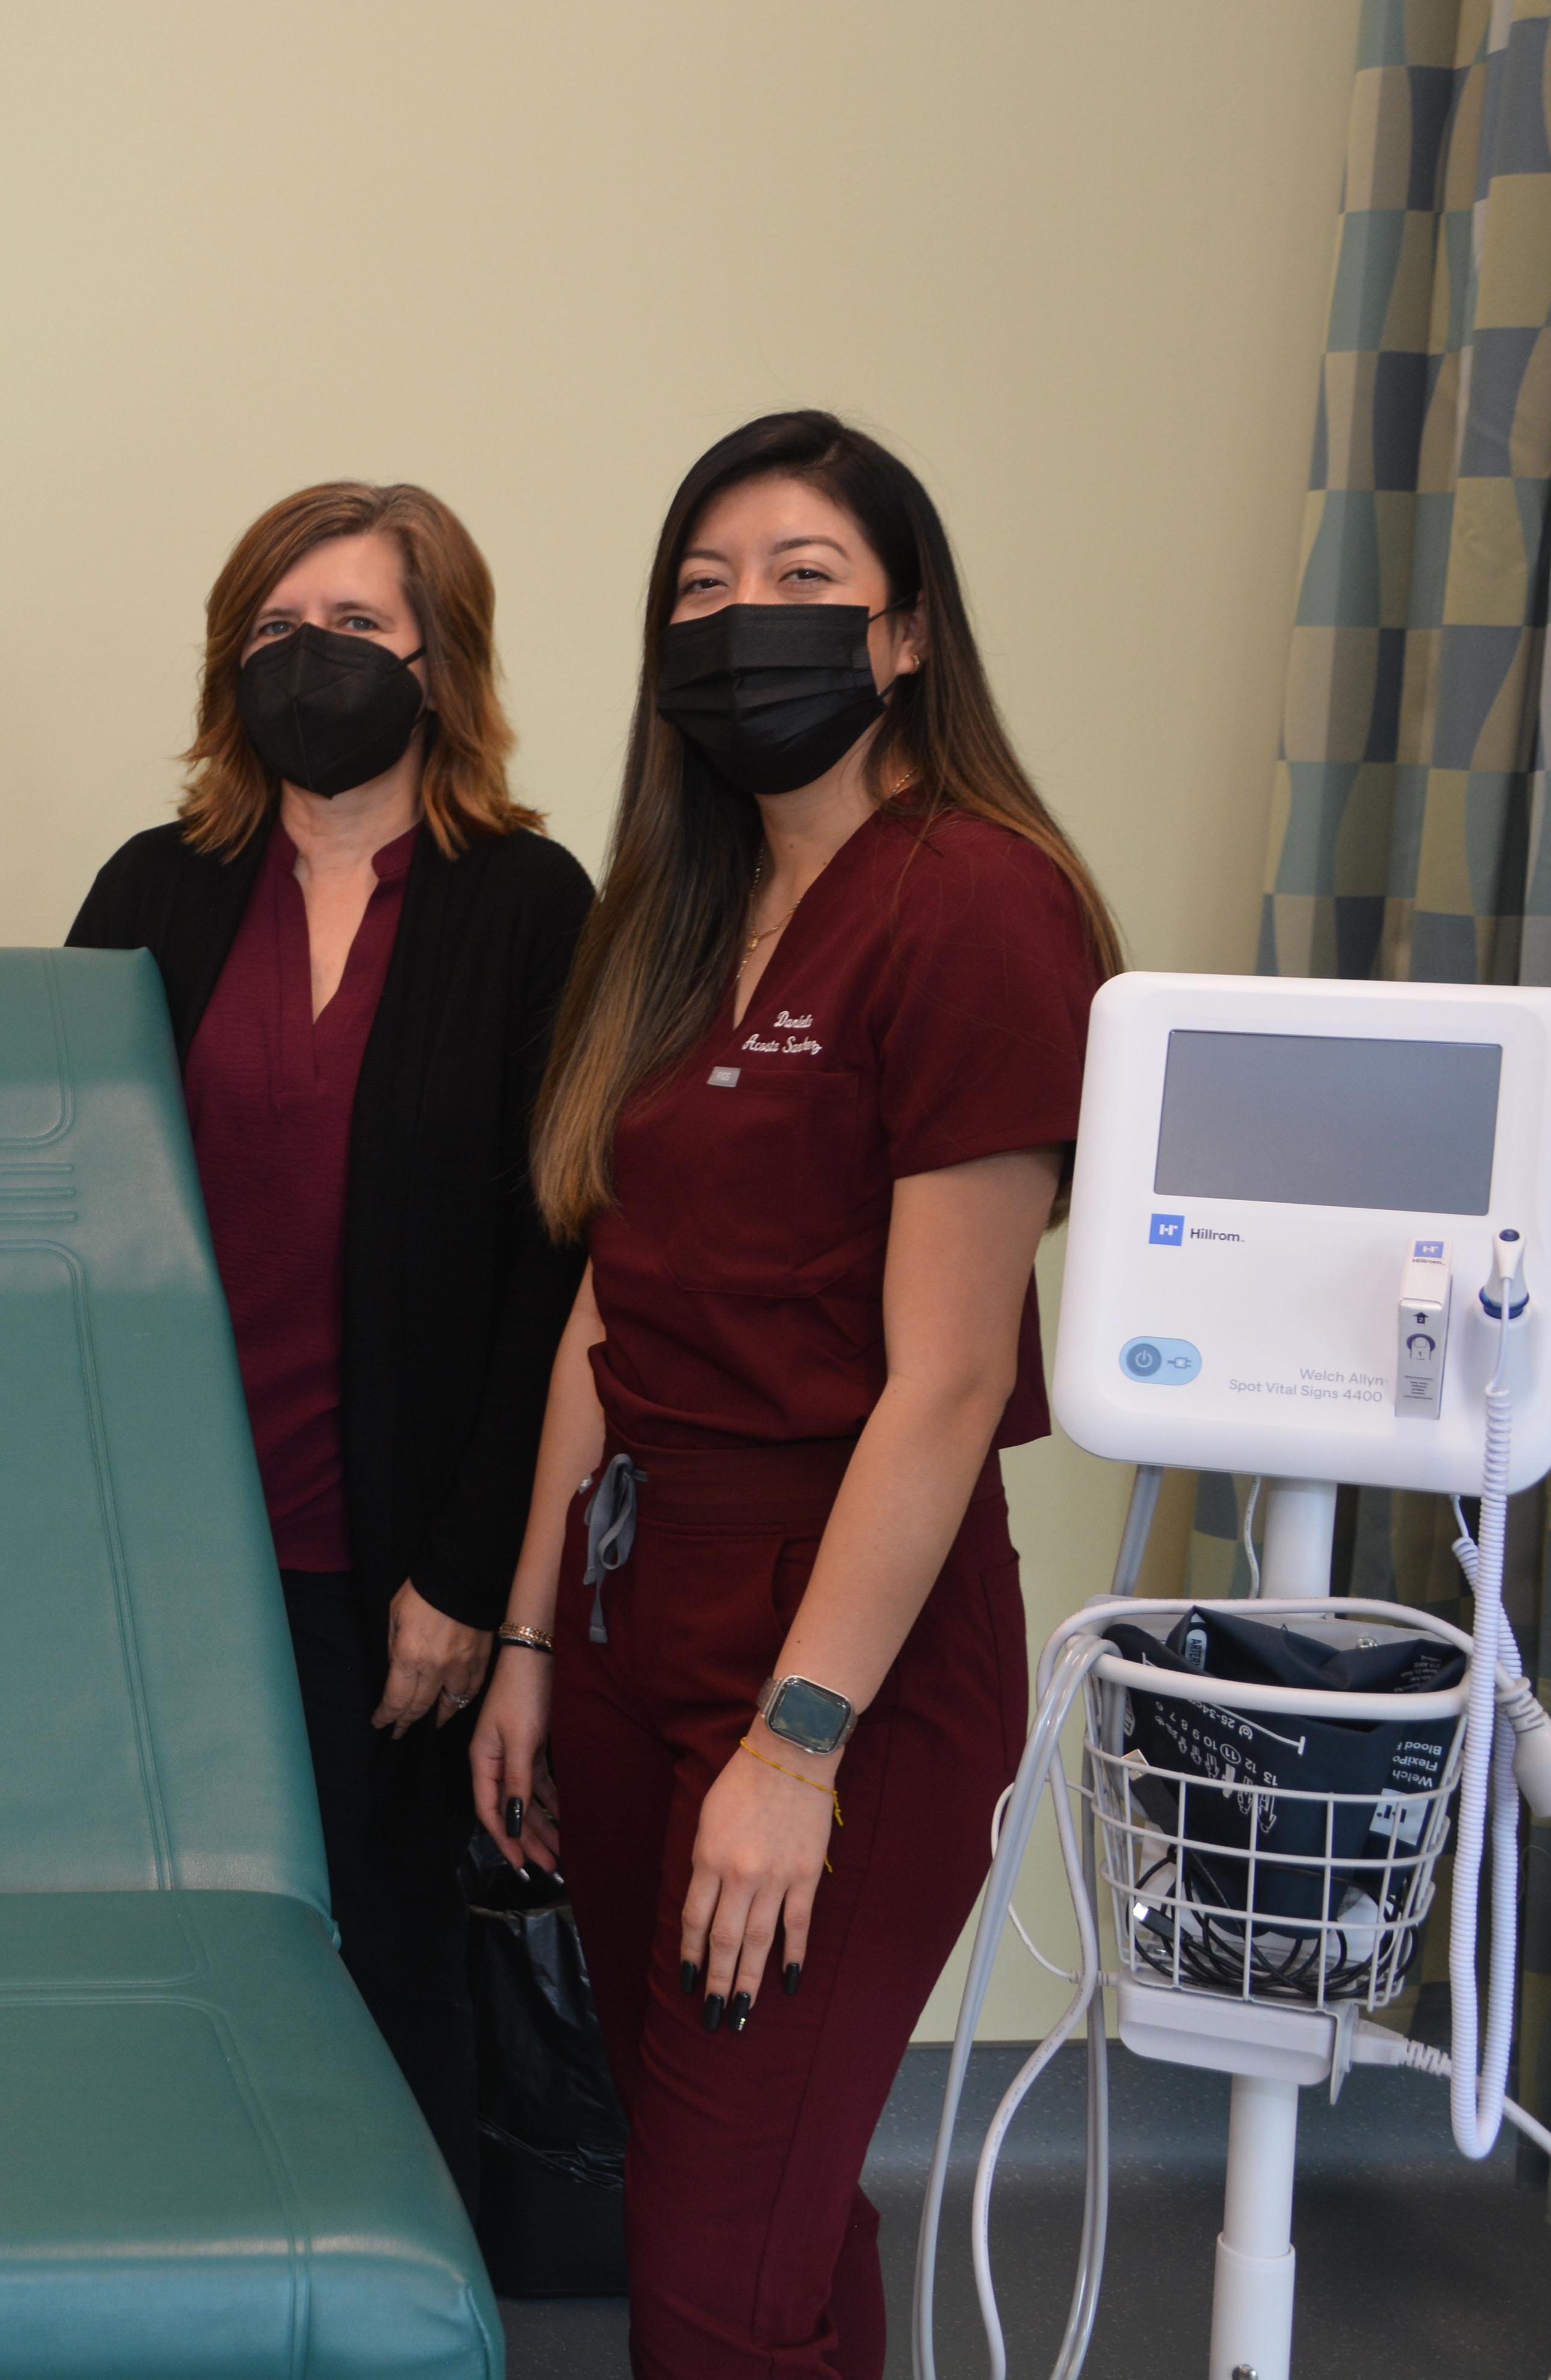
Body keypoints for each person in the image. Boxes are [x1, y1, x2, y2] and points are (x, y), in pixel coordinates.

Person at [469, 412, 1121, 2378]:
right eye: (702, 588)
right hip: (625, 1588)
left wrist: (801, 1740)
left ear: (906, 631)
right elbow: (611, 1302)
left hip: (839, 1626)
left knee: (706, 2278)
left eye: (804, 583)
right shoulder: (676, 920)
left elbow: (945, 1382)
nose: (746, 622)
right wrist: (525, 1631)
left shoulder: (979, 905)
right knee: (756, 2195)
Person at [68, 481, 593, 2201]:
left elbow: (551, 1276)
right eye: (277, 630)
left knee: (391, 1970)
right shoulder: (156, 887)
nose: (314, 660)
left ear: (437, 665)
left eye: (356, 627)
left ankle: (399, 2310)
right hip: (173, 1541)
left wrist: (468, 1580)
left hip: (396, 1569)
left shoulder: (522, 905)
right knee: (185, 1968)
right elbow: (57, 1201)